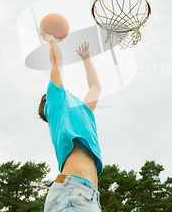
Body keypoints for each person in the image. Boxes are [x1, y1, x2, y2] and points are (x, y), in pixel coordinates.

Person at [38, 31, 102, 212]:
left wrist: (86, 58)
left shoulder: (84, 113)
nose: (69, 91)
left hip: (90, 197)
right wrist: (51, 39)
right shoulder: (56, 103)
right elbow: (56, 59)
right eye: (65, 90)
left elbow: (96, 87)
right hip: (71, 193)